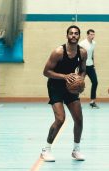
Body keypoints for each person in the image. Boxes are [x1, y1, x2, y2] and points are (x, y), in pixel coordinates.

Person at [41, 25, 87, 162]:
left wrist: (80, 81)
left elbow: (83, 70)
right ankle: (46, 150)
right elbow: (46, 72)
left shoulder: (82, 53)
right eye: (71, 33)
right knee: (60, 119)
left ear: (79, 36)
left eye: (76, 33)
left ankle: (76, 150)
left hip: (71, 87)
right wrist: (65, 76)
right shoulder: (58, 52)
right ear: (67, 36)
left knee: (79, 119)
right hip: (55, 86)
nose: (73, 35)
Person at [79, 29, 99, 108]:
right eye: (91, 34)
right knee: (79, 84)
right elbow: (79, 55)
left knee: (95, 82)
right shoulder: (82, 43)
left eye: (93, 34)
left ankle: (92, 102)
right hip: (83, 66)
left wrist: (93, 64)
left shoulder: (94, 43)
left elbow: (92, 54)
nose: (92, 36)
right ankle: (75, 101)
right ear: (87, 35)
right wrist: (79, 66)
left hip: (90, 66)